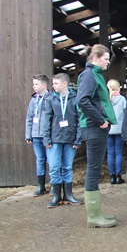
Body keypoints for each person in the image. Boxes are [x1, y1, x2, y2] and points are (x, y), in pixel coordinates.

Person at [76, 44, 118, 228]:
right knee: (93, 170)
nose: (108, 62)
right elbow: (82, 101)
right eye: (106, 59)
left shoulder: (95, 74)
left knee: (95, 168)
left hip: (96, 127)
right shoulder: (89, 75)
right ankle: (93, 216)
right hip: (94, 127)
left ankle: (97, 213)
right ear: (95, 58)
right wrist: (100, 120)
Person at [43, 73, 83, 208]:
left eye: (56, 83)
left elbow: (80, 119)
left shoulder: (75, 99)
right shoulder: (51, 99)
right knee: (54, 167)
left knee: (67, 167)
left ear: (64, 83)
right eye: (53, 83)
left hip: (70, 139)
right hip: (55, 139)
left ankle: (68, 195)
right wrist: (46, 138)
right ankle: (56, 196)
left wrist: (78, 139)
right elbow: (47, 120)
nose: (53, 86)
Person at [25, 74, 51, 196]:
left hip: (48, 136)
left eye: (36, 84)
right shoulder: (34, 99)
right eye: (33, 84)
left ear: (44, 85)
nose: (33, 86)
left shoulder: (51, 98)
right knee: (40, 160)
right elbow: (29, 117)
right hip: (36, 135)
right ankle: (41, 186)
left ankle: (54, 185)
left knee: (51, 160)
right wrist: (28, 134)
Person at [106, 79, 127, 185]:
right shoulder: (122, 99)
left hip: (108, 129)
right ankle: (119, 176)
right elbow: (125, 114)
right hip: (119, 129)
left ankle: (112, 176)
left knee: (110, 152)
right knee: (118, 152)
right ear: (118, 88)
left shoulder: (106, 100)